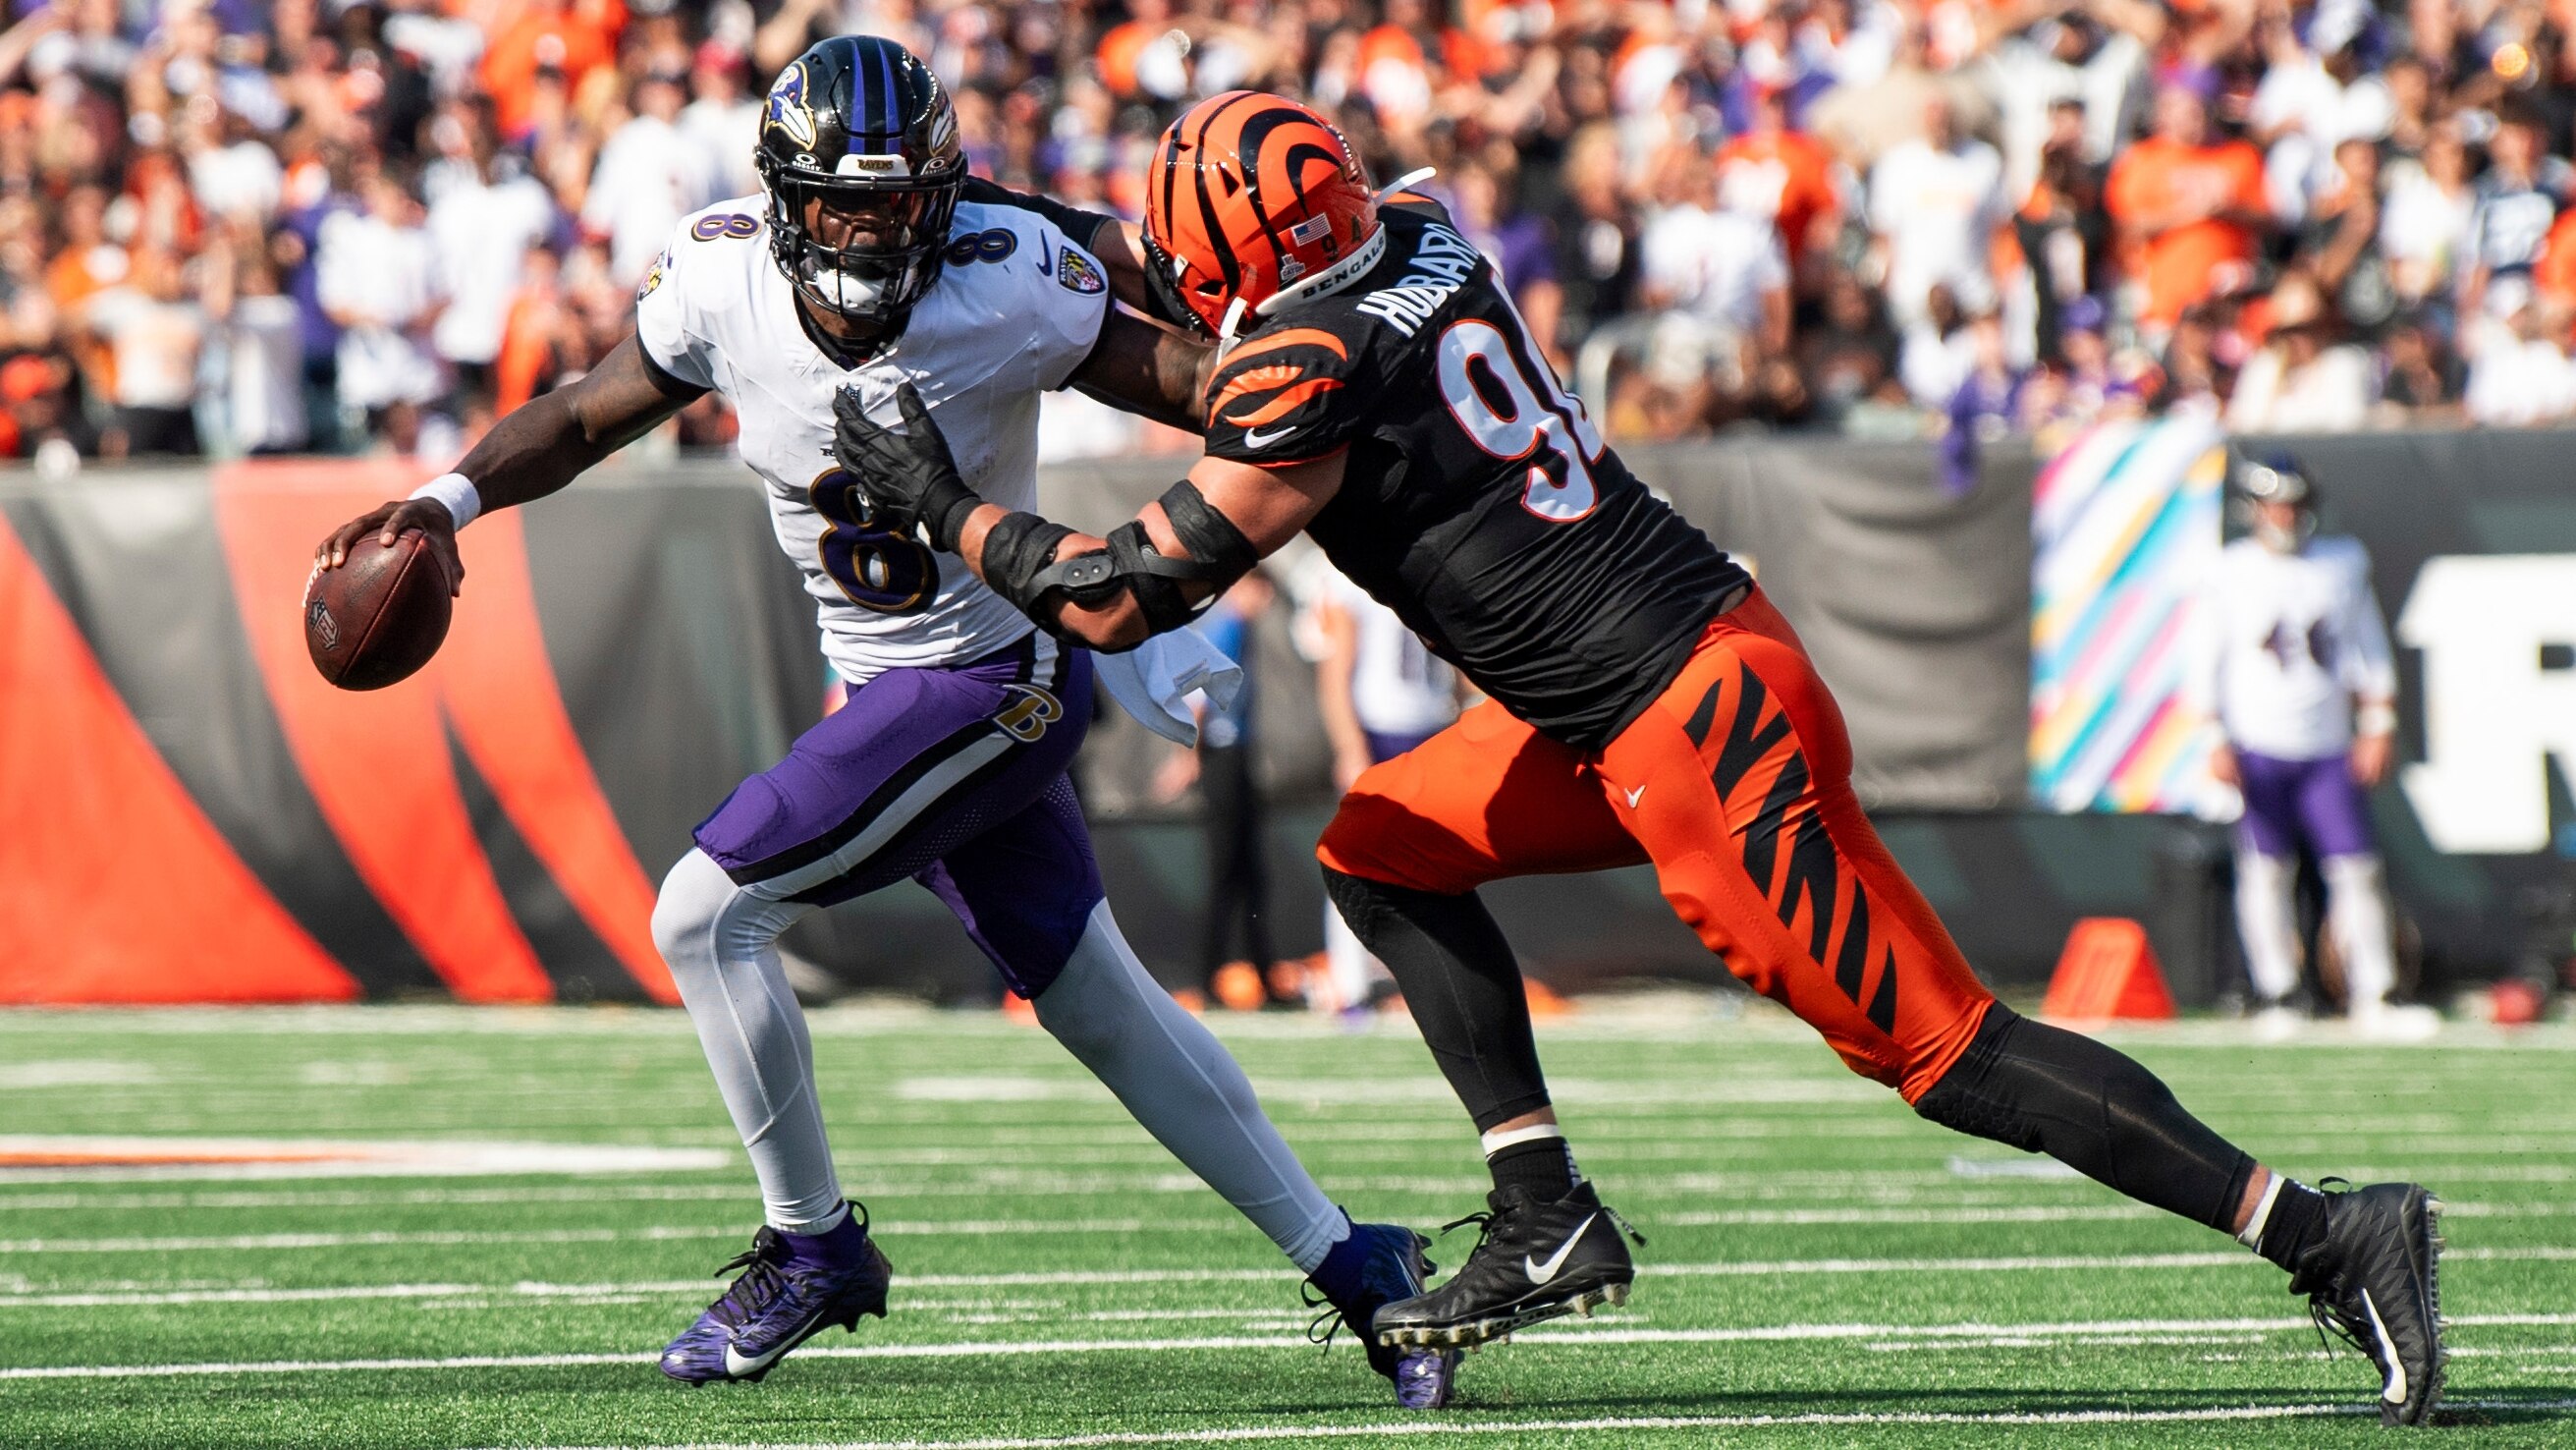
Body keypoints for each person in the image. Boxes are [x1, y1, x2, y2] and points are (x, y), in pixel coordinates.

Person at [832, 90, 2446, 1426]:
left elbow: (1119, 591)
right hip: (1634, 685)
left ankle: (2325, 1232)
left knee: (1944, 1052)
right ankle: (1542, 1210)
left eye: (1192, 262)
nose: (1177, 285)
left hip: (1688, 722)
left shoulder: (1303, 365)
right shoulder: (1415, 227)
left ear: (1245, 259)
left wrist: (941, 503)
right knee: (1381, 843)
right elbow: (1229, 310)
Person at [310, 40, 1454, 1411]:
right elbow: (581, 412)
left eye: (898, 201)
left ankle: (813, 1247)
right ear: (786, 199)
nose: (870, 230)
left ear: (944, 194)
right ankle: (1359, 1268)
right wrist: (443, 501)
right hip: (890, 677)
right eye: (842, 204)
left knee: (701, 913)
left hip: (991, 682)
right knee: (1101, 1006)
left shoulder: (1008, 270)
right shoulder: (721, 274)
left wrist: (1152, 585)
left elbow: (1228, 398)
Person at [2207, 454, 2435, 1040]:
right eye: (2277, 503)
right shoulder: (2229, 569)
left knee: (2357, 871)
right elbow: (2202, 657)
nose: (2287, 514)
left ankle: (2374, 990)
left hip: (2327, 745)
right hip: (2259, 743)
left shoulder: (2341, 562)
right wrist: (2212, 735)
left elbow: (2368, 645)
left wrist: (2378, 722)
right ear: (2253, 508)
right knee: (2265, 871)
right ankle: (2277, 991)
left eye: (2295, 502)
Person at [1312, 566, 1459, 1016]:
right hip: (1380, 730)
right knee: (1356, 860)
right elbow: (1335, 671)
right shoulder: (1348, 574)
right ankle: (1350, 987)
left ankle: (1427, 983)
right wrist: (1349, 745)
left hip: (1432, 726)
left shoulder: (1436, 567)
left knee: (1436, 865)